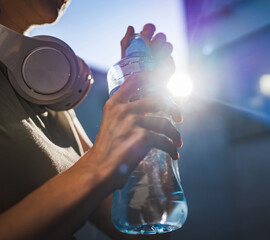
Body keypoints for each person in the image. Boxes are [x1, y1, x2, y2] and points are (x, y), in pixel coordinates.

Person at [0, 0, 182, 239]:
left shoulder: (54, 98)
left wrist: (142, 105)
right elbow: (98, 167)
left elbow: (143, 229)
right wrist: (97, 166)